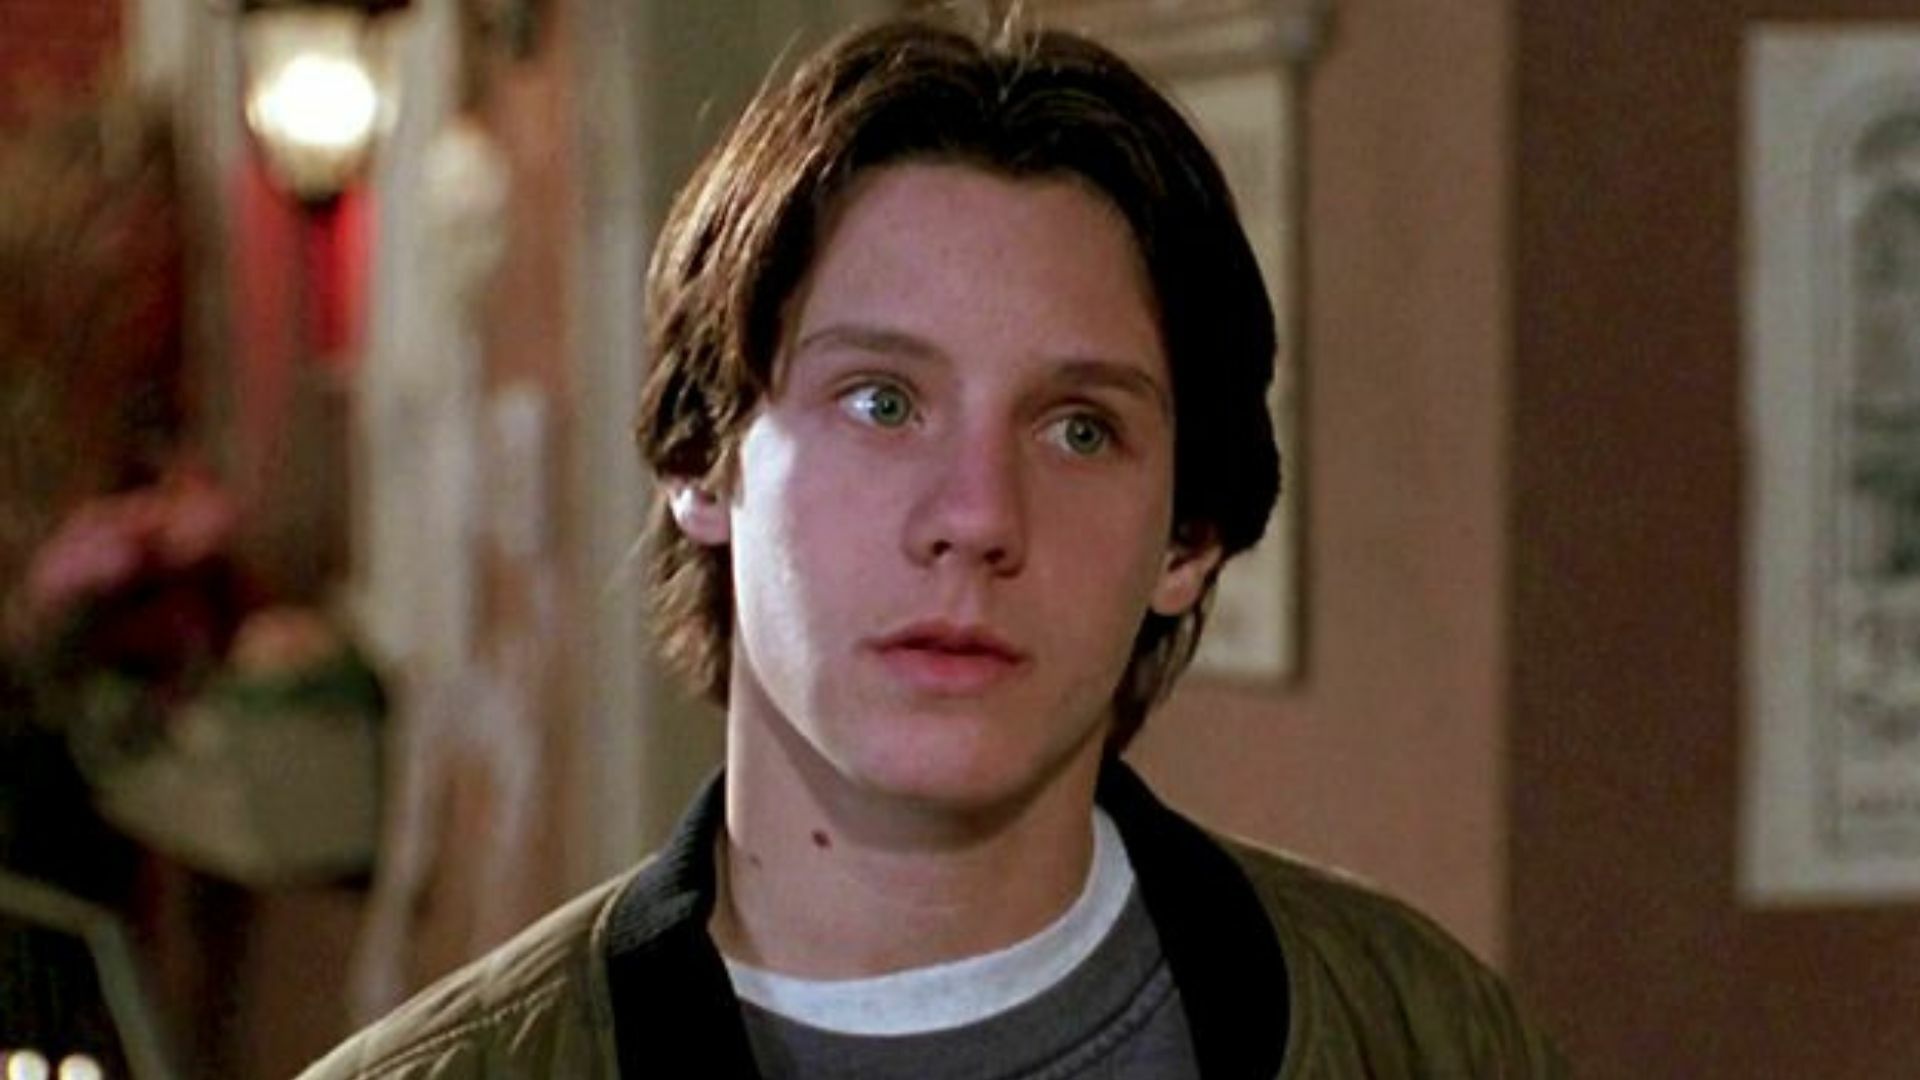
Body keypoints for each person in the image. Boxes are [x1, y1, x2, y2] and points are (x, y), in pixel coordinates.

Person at [302, 13, 1565, 1079]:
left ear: (1186, 540)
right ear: (702, 460)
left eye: (1078, 429)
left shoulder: (1427, 1037)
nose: (978, 515)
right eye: (882, 403)